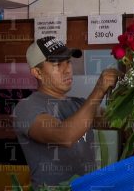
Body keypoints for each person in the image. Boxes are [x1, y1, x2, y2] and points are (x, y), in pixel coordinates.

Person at [13, 36, 120, 189]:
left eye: (68, 61)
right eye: (57, 64)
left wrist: (127, 93)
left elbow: (118, 122)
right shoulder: (26, 108)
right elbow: (64, 136)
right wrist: (99, 90)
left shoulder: (79, 104)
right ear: (37, 72)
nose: (67, 69)